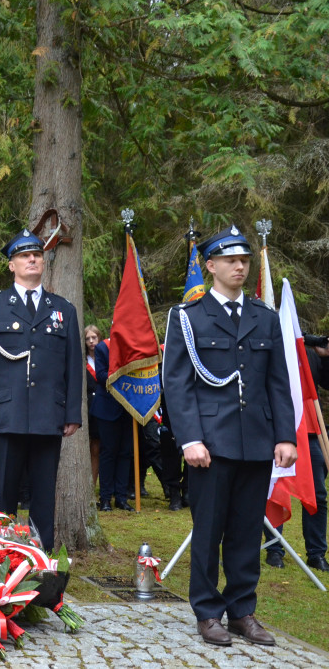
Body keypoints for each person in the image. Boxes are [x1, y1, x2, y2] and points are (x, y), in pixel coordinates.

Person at [162, 225, 295, 647]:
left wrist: (285, 436)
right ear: (211, 266)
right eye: (231, 260)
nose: (240, 266)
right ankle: (206, 611)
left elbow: (278, 382)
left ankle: (242, 611)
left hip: (256, 441)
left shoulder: (265, 317)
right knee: (208, 530)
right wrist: (189, 440)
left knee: (244, 532)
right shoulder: (188, 318)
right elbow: (178, 384)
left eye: (244, 260)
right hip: (210, 444)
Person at [0, 229, 82, 552]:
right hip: (6, 416)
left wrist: (72, 412)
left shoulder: (63, 310)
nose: (32, 259)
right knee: (3, 497)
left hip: (49, 418)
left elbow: (73, 365)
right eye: (23, 255)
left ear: (43, 262)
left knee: (44, 498)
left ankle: (42, 567)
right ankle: (1, 564)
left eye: (37, 254)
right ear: (11, 265)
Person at [264, 342, 329, 571]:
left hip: (311, 432)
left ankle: (317, 553)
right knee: (276, 491)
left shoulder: (308, 352)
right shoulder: (272, 347)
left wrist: (327, 356)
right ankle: (274, 549)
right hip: (279, 432)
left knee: (317, 494)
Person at [91, 335, 134, 512]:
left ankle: (121, 498)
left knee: (125, 453)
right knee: (108, 453)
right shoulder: (103, 348)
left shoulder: (134, 348)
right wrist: (124, 371)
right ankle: (106, 498)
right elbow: (101, 376)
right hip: (107, 408)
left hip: (129, 407)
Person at [84, 325, 102, 488]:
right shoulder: (82, 361)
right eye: (88, 338)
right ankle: (88, 485)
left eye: (93, 338)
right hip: (87, 408)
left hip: (103, 408)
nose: (91, 341)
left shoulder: (105, 358)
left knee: (98, 448)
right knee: (90, 448)